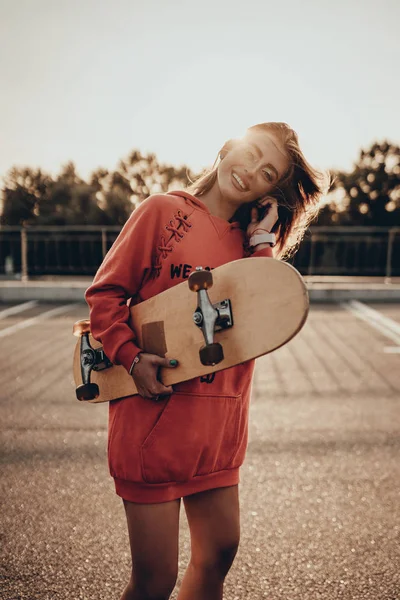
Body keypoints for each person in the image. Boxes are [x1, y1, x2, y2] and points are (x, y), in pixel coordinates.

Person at [85, 122, 329, 600]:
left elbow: (264, 315)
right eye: (252, 153)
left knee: (218, 553)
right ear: (227, 147)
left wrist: (262, 240)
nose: (251, 172)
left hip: (219, 425)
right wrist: (132, 360)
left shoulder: (254, 247)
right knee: (155, 580)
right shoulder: (162, 211)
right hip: (155, 418)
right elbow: (105, 295)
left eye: (267, 173)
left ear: (270, 191)